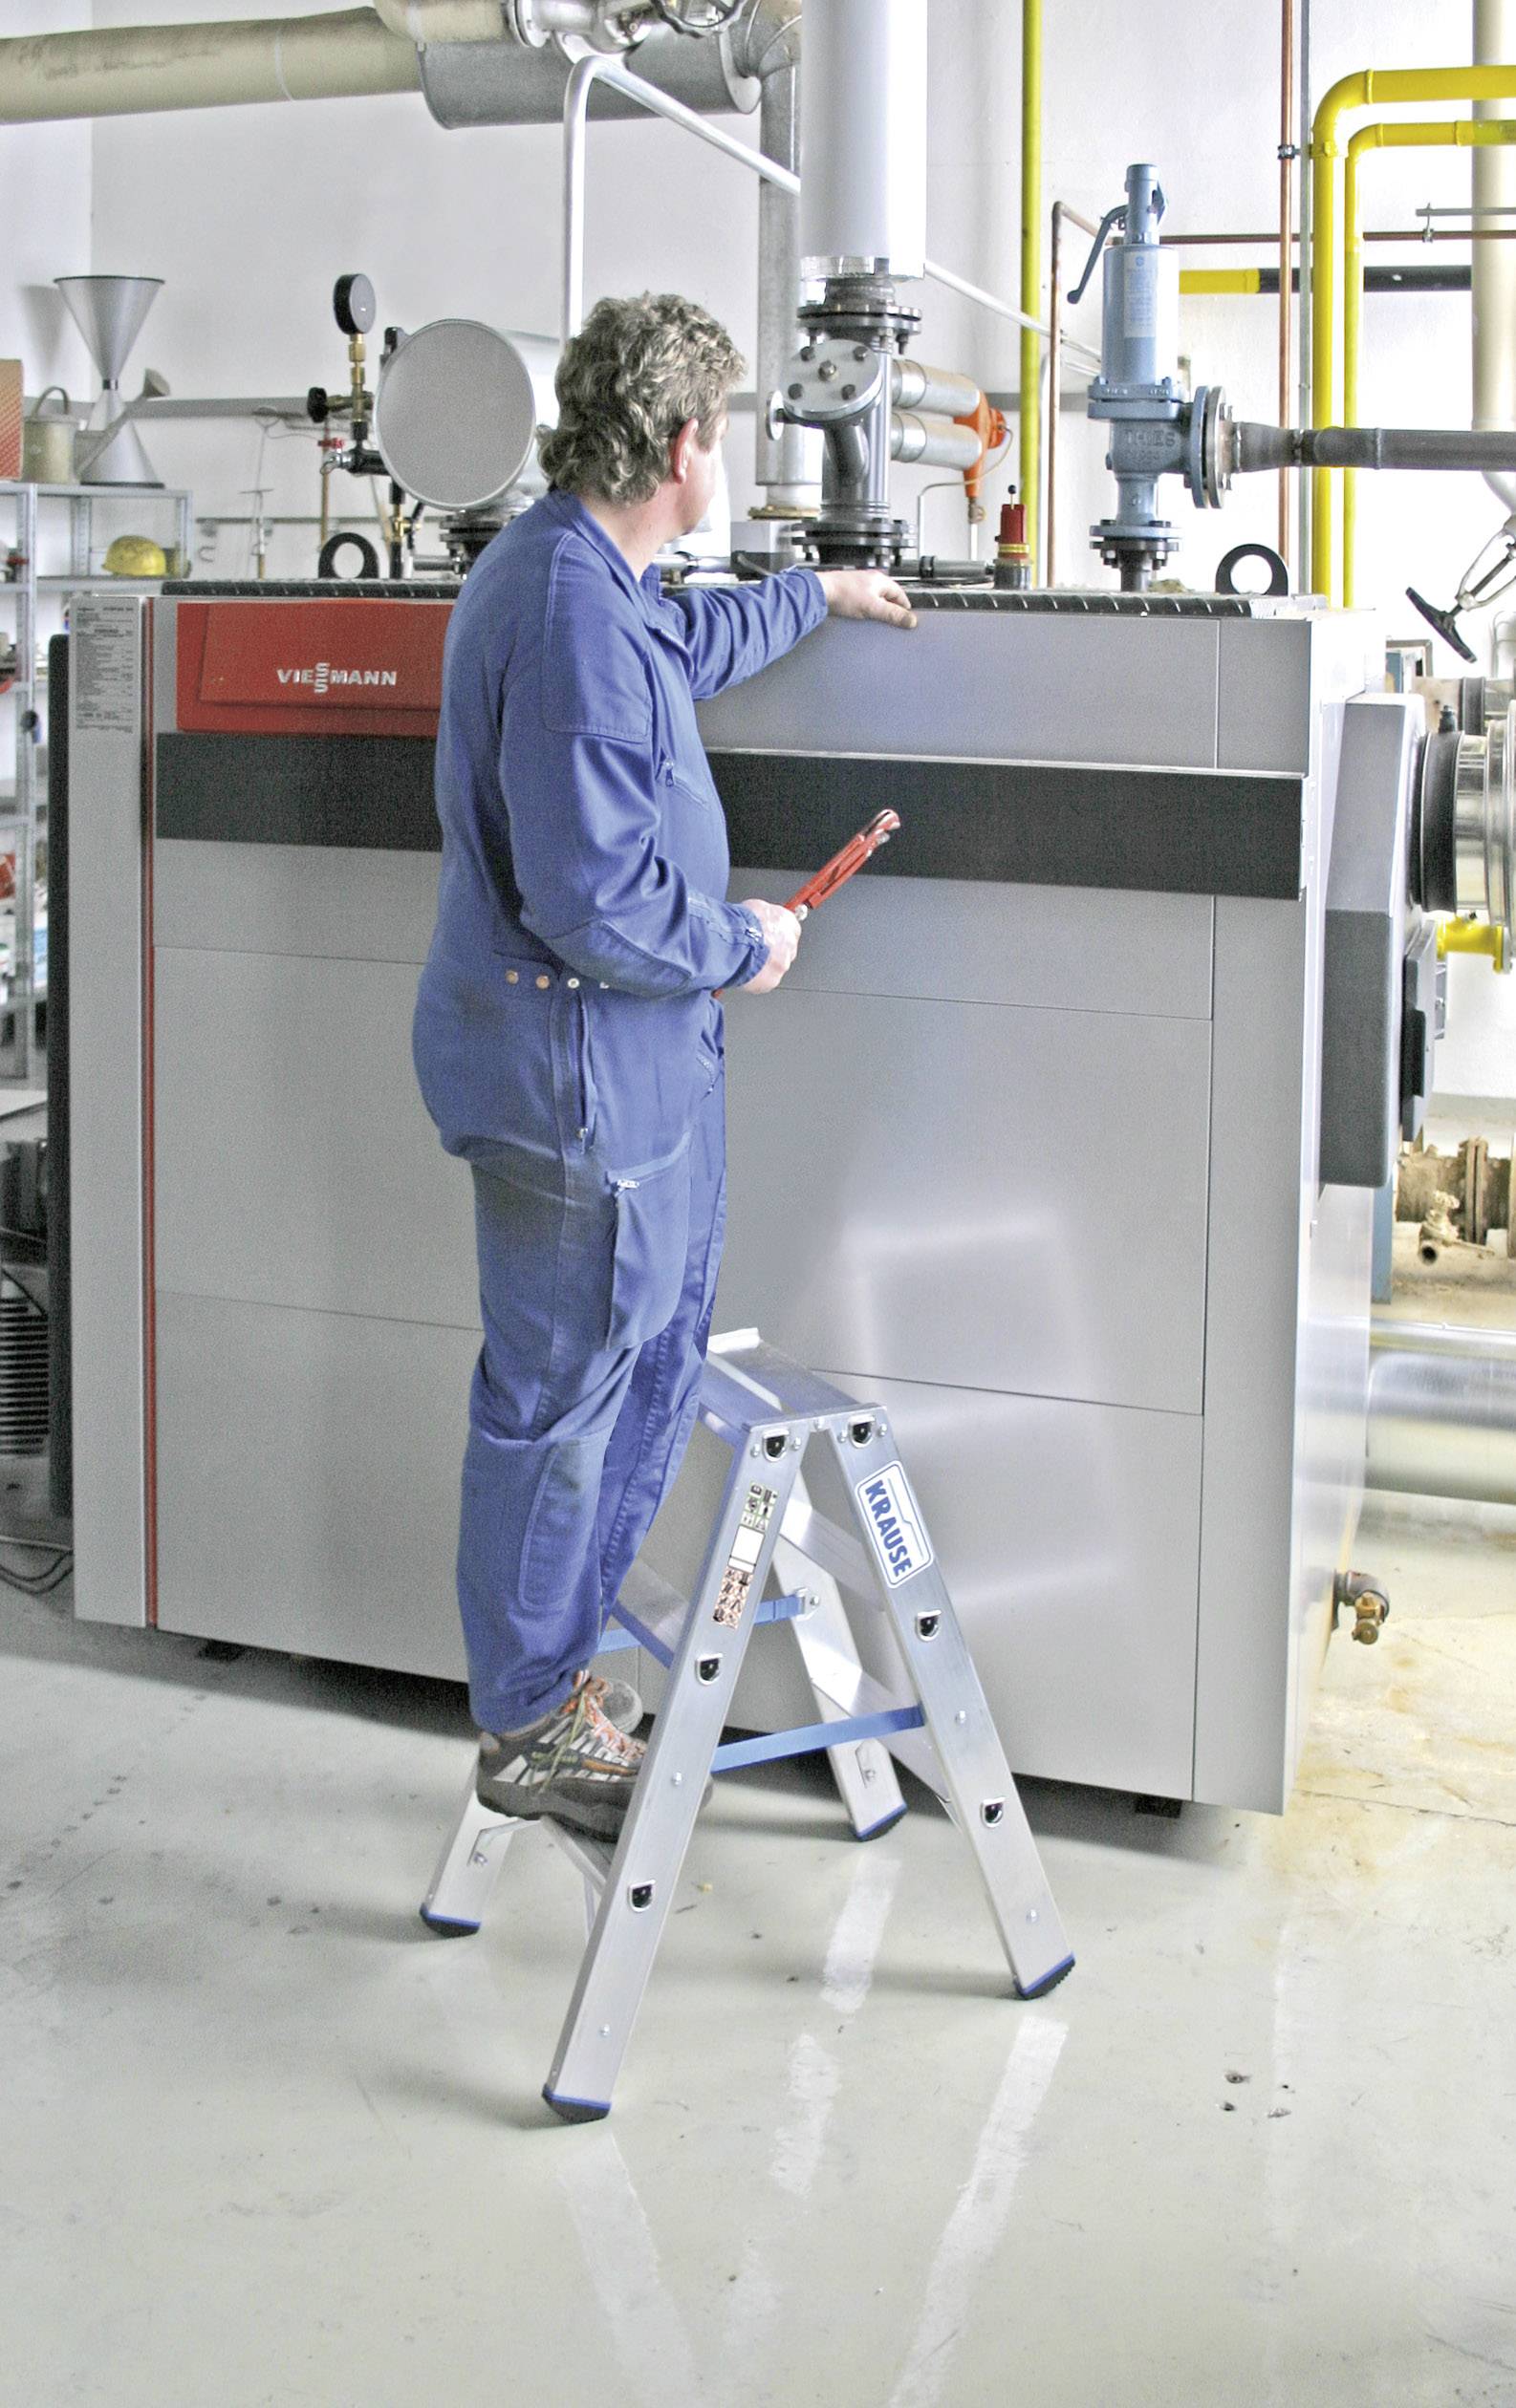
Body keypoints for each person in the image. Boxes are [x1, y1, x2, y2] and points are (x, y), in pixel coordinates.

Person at [413, 290, 915, 1838]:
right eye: (729, 433)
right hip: (580, 1077)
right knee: (559, 1405)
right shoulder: (564, 607)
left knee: (627, 1364)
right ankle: (530, 1722)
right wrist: (740, 942)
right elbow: (590, 896)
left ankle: (553, 1692)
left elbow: (685, 637)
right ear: (687, 442)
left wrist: (816, 592)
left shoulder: (584, 573)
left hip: (622, 1075)